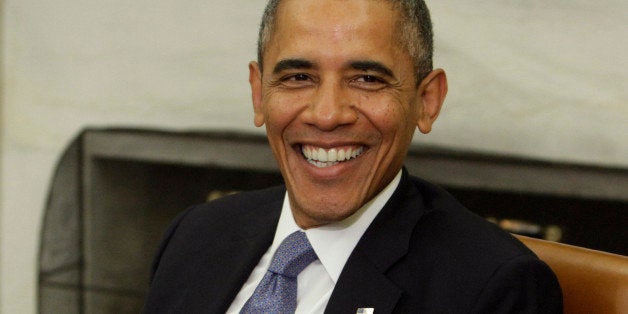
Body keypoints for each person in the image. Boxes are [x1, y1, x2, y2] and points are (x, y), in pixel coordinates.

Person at [144, 0, 563, 313]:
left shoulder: (491, 288)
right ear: (259, 93)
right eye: (298, 77)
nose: (327, 115)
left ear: (426, 101)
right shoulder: (195, 234)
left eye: (367, 79)